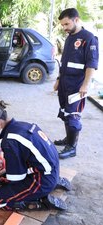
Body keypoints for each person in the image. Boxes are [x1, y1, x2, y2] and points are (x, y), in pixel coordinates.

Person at [0, 100, 67, 211]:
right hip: (53, 169)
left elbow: (16, 178)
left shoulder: (9, 141)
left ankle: (40, 202)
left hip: (43, 180)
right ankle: (55, 182)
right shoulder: (22, 125)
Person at [53, 8, 99, 159]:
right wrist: (58, 80)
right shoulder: (69, 37)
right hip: (65, 83)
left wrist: (85, 85)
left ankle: (72, 147)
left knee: (73, 116)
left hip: (77, 86)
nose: (64, 28)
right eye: (62, 25)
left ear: (76, 20)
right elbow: (65, 62)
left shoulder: (89, 38)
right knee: (66, 113)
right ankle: (68, 139)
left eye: (66, 24)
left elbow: (91, 64)